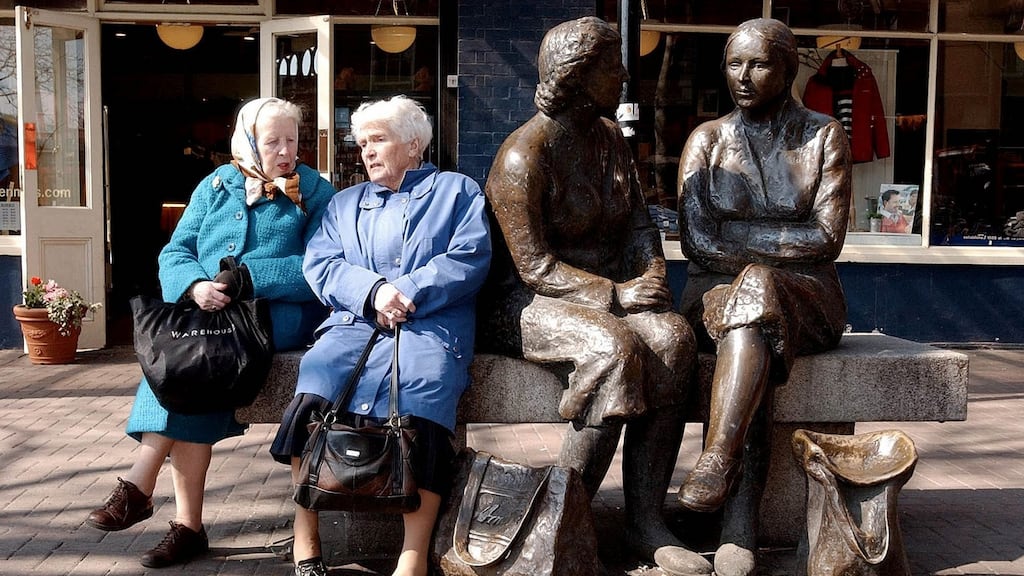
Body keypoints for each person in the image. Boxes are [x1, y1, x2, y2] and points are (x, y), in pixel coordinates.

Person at [478, 17, 710, 576]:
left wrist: (651, 274)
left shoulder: (609, 140)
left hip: (607, 293)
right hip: (526, 305)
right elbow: (533, 267)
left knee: (675, 340)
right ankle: (559, 520)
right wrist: (617, 295)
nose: (624, 73)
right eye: (611, 64)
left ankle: (644, 522)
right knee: (611, 349)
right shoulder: (522, 157)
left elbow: (638, 224)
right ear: (578, 76)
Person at [85, 97, 335, 568]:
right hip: (208, 314)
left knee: (195, 359)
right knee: (183, 359)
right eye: (272, 141)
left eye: (292, 140)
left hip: (276, 315)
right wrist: (195, 285)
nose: (285, 151)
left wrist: (249, 277)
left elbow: (322, 268)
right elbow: (174, 252)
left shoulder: (314, 191)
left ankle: (147, 491)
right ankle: (186, 526)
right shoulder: (215, 184)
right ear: (247, 142)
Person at [270, 95, 491, 576]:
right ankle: (306, 543)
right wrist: (372, 292)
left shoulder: (458, 192)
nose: (367, 151)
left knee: (424, 404)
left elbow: (468, 258)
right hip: (355, 325)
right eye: (363, 142)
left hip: (429, 326)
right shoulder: (345, 203)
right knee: (315, 391)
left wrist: (406, 291)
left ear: (413, 146)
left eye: (378, 140)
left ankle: (411, 559)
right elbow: (321, 264)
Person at [676, 18, 852, 576]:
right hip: (715, 291)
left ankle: (718, 468)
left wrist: (744, 245)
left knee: (756, 303)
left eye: (759, 64)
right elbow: (697, 240)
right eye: (734, 64)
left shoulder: (824, 136)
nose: (743, 77)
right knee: (751, 319)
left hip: (810, 296)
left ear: (788, 68)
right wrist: (766, 255)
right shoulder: (707, 139)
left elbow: (827, 237)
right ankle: (738, 524)